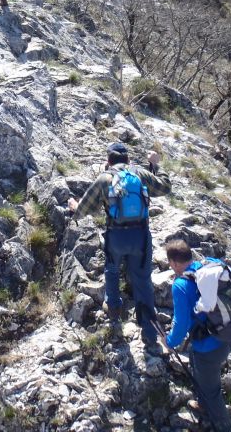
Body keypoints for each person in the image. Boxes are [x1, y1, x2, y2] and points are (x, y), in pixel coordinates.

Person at [67, 142, 170, 354]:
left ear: (108, 162)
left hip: (116, 236)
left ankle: (114, 312)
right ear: (129, 161)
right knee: (143, 281)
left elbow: (84, 209)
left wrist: (74, 207)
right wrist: (155, 164)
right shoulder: (140, 174)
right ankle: (150, 336)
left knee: (112, 270)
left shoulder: (105, 178)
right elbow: (166, 187)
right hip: (141, 236)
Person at [163, 239, 231, 432]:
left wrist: (169, 342)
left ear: (174, 263)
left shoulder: (181, 285)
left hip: (208, 346)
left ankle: (223, 426)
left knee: (212, 390)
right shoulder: (210, 265)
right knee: (195, 361)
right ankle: (202, 404)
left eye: (170, 263)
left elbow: (181, 324)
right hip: (230, 331)